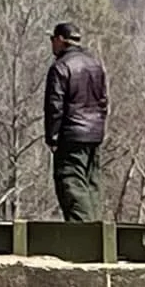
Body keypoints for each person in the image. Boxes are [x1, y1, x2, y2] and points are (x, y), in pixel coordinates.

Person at [44, 21, 108, 222]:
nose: (51, 43)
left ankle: (83, 235)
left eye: (52, 39)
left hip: (71, 136)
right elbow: (103, 101)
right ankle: (98, 231)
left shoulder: (60, 67)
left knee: (71, 184)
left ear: (61, 40)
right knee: (91, 185)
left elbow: (55, 107)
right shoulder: (95, 65)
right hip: (94, 135)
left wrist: (52, 138)